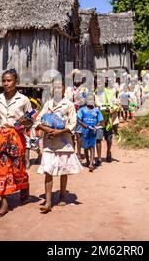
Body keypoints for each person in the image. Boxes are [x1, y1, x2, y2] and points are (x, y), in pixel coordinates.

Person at [34, 79, 83, 213]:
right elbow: (37, 121)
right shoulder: (47, 105)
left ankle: (62, 195)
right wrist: (46, 129)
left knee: (63, 170)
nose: (57, 90)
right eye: (54, 88)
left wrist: (59, 132)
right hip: (49, 143)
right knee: (48, 171)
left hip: (64, 144)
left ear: (63, 90)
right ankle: (48, 202)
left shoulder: (69, 105)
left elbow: (73, 124)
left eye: (59, 88)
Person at [0, 69, 32, 217]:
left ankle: (24, 189)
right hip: (0, 138)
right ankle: (4, 202)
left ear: (16, 82)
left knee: (17, 168)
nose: (6, 83)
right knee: (0, 169)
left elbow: (31, 121)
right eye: (4, 81)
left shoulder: (24, 100)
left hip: (16, 138)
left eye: (9, 80)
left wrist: (23, 122)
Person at [77, 94, 104, 171]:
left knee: (92, 147)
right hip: (84, 131)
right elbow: (78, 120)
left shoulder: (97, 110)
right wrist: (84, 125)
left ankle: (91, 163)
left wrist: (96, 126)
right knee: (85, 147)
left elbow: (100, 120)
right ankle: (88, 161)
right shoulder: (82, 110)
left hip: (93, 131)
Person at [95, 79, 116, 163]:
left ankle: (108, 152)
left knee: (109, 138)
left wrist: (112, 109)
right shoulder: (94, 93)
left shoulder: (110, 93)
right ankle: (99, 158)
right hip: (98, 120)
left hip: (108, 119)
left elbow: (116, 103)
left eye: (100, 83)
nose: (99, 84)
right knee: (98, 138)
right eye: (97, 83)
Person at [24, 98, 43, 169]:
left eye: (32, 103)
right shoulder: (27, 113)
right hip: (28, 132)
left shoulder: (38, 113)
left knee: (35, 147)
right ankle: (27, 162)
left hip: (35, 133)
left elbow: (39, 123)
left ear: (35, 105)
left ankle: (39, 154)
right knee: (27, 146)